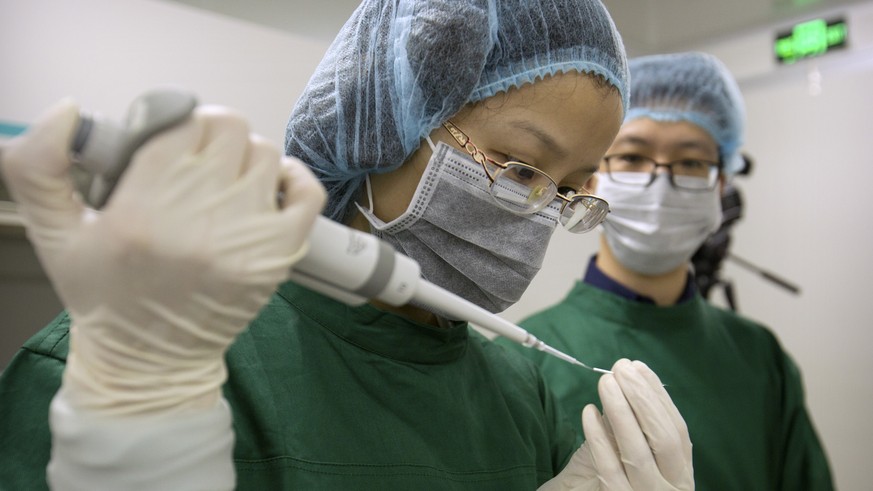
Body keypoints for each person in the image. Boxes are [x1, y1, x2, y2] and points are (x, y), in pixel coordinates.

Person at [0, 1, 695, 489]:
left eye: (568, 190)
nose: (539, 215)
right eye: (519, 169)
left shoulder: (518, 391)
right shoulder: (146, 357)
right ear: (388, 122)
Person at [496, 51, 834, 490]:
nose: (660, 181)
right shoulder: (525, 359)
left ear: (722, 185)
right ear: (592, 180)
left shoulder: (759, 356)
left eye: (691, 162)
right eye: (633, 157)